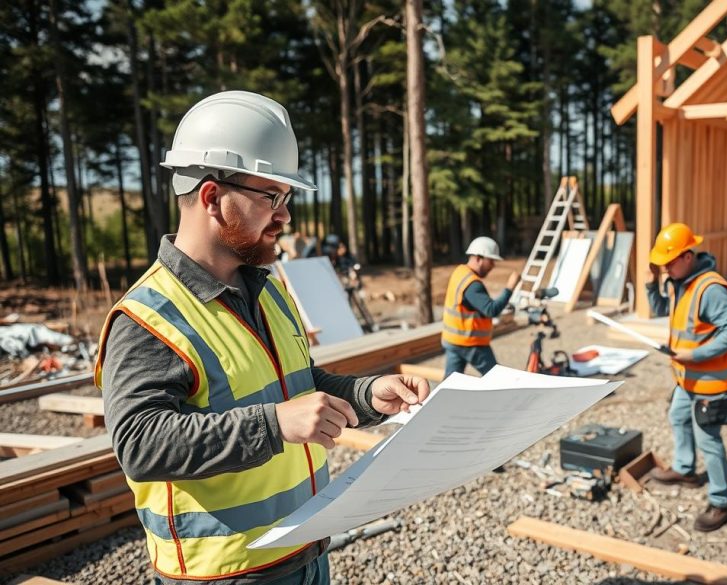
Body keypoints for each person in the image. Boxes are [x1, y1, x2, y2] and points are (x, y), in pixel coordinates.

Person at [95, 91, 430, 584]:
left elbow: (295, 387)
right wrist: (274, 424)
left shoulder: (268, 290)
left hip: (307, 550)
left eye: (286, 199)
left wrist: (366, 396)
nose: (285, 216)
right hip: (227, 574)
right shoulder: (147, 317)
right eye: (269, 197)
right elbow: (140, 443)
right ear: (212, 197)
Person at [645, 223, 727, 533]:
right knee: (677, 415)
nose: (664, 269)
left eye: (668, 263)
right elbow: (663, 309)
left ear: (688, 256)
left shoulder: (709, 288)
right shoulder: (681, 281)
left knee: (708, 439)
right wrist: (652, 285)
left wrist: (695, 355)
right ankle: (685, 470)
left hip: (711, 381)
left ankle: (720, 501)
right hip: (687, 378)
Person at [441, 237, 520, 378]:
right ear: (478, 258)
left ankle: (441, 400)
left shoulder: (460, 272)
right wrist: (510, 287)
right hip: (470, 342)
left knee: (450, 383)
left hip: (453, 339)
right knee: (497, 379)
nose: (493, 265)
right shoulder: (473, 284)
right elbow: (491, 310)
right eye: (491, 261)